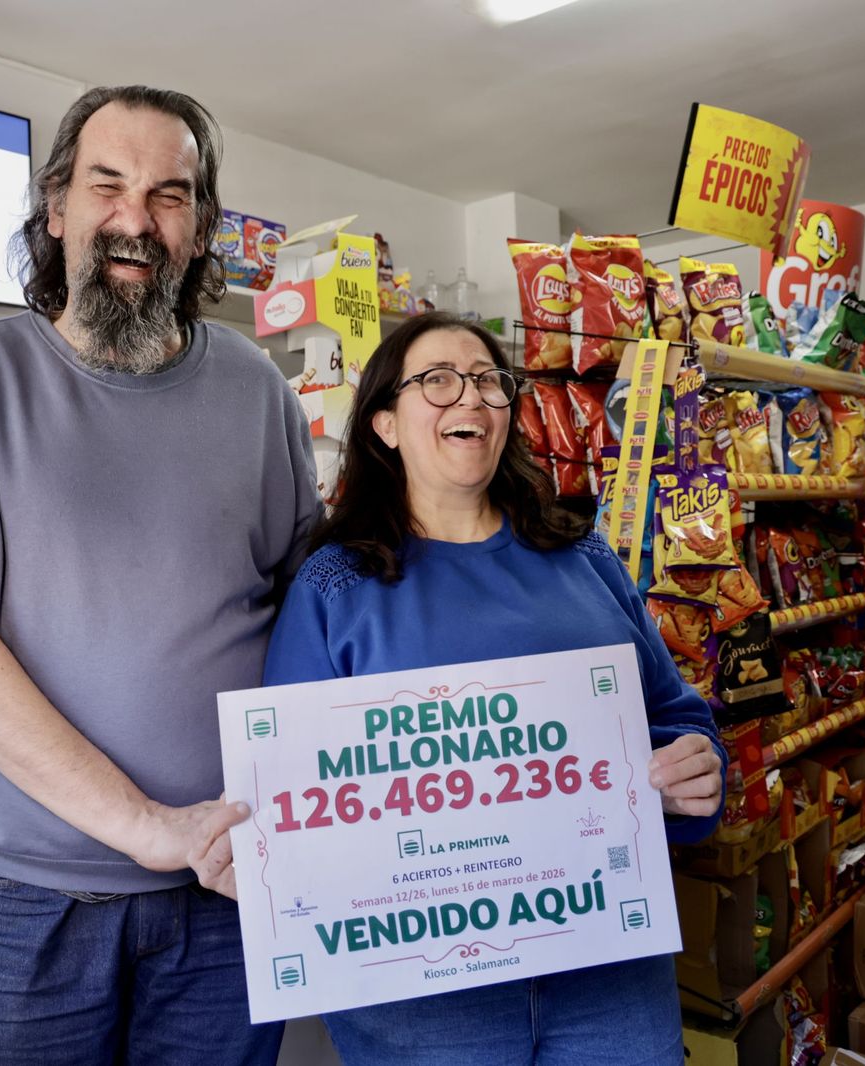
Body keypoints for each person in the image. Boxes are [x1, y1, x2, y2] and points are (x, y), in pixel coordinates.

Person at [0, 85, 319, 1066]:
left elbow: (318, 613)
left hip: (228, 886)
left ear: (201, 229)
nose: (134, 219)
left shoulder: (256, 391)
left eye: (169, 195)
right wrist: (143, 824)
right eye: (106, 183)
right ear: (56, 207)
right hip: (29, 904)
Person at [191, 312, 726, 1066]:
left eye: (486, 380)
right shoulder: (335, 586)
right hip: (425, 1011)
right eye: (436, 381)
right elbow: (292, 791)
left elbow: (672, 717)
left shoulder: (583, 556)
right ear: (384, 424)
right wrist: (257, 857)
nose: (468, 398)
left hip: (608, 979)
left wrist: (694, 769)